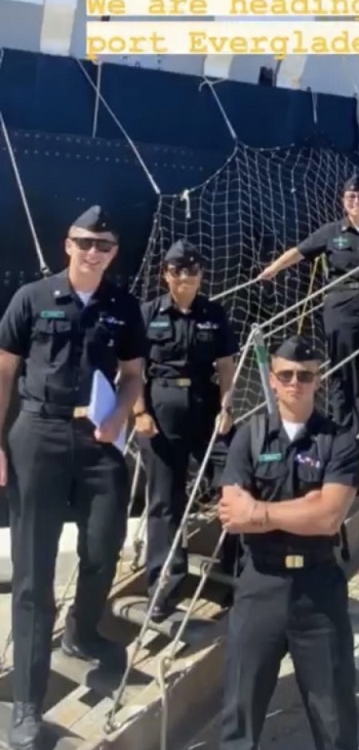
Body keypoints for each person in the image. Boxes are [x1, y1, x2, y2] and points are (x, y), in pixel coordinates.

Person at [0, 206, 146, 750]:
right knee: (34, 576)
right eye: (85, 242)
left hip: (97, 438)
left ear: (113, 254)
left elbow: (132, 375)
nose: (93, 252)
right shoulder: (32, 299)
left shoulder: (122, 305)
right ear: (68, 244)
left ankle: (84, 630)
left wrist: (119, 417)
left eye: (103, 245)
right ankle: (27, 706)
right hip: (37, 433)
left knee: (105, 543)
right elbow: (5, 368)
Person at [218, 335, 359, 750]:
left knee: (333, 715)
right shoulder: (249, 436)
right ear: (273, 381)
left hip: (318, 592)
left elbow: (329, 516)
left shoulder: (340, 441)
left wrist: (260, 513)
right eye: (286, 375)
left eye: (305, 375)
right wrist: (306, 507)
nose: (295, 382)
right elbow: (231, 514)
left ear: (319, 380)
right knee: (239, 713)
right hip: (260, 585)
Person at [258, 174, 359, 441]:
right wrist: (274, 268)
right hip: (340, 304)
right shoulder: (331, 232)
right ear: (344, 202)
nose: (357, 201)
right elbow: (300, 251)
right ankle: (350, 428)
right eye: (351, 197)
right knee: (344, 370)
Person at [132, 240, 238, 617]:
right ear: (166, 275)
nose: (185, 278)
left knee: (233, 485)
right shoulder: (147, 313)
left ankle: (237, 574)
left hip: (206, 407)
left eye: (192, 271)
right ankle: (164, 586)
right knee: (165, 499)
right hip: (160, 410)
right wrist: (139, 411)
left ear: (201, 275)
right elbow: (131, 369)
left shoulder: (214, 313)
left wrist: (227, 407)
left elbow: (226, 366)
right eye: (178, 271)